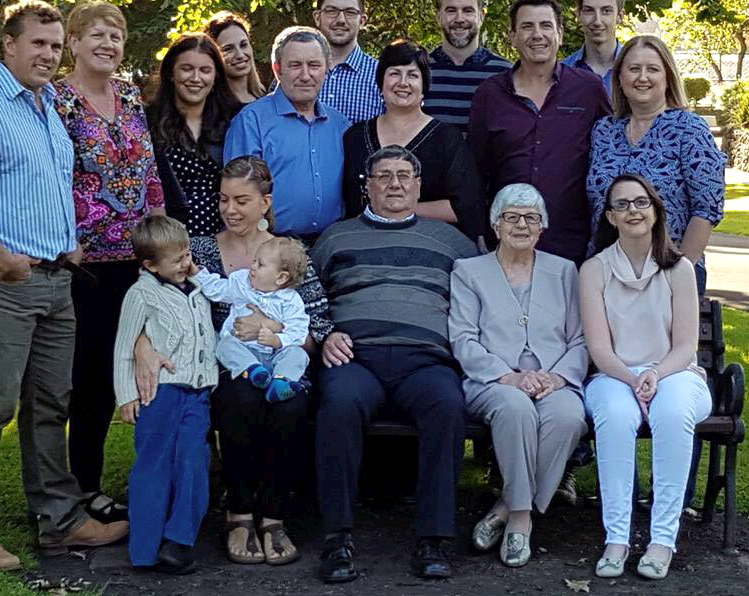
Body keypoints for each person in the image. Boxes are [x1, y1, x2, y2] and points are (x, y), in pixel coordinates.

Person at [0, 0, 127, 570]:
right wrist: (5, 260)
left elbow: (38, 188)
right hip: (2, 281)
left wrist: (63, 240)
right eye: (36, 43)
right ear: (9, 45)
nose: (47, 53)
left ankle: (62, 522)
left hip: (54, 280)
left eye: (52, 43)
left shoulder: (44, 106)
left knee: (49, 405)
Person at [135, 156, 333, 566]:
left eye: (241, 200)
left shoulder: (288, 253)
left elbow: (317, 322)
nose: (230, 209)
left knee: (289, 404)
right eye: (224, 199)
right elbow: (154, 296)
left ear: (265, 202)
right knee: (240, 398)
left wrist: (270, 328)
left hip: (281, 358)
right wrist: (140, 343)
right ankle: (240, 511)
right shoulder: (201, 249)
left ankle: (275, 515)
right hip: (220, 363)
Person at [311, 145, 479, 582]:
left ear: (419, 185)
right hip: (355, 358)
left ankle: (433, 539)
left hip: (425, 361)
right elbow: (305, 296)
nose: (395, 183)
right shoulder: (336, 237)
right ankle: (338, 539)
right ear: (366, 186)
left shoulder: (451, 241)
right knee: (339, 406)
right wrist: (327, 332)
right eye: (383, 176)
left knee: (446, 405)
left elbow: (484, 297)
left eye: (404, 175)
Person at [54, 0, 165, 523]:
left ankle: (155, 478)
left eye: (116, 36)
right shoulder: (57, 100)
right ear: (72, 42)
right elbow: (50, 177)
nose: (107, 44)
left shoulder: (127, 94)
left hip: (138, 258)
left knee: (146, 365)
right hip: (86, 263)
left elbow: (148, 170)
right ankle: (84, 486)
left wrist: (161, 234)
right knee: (92, 377)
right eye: (96, 35)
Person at [448, 183, 587, 568]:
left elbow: (580, 338)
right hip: (492, 381)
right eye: (511, 216)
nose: (521, 225)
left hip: (553, 378)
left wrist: (557, 378)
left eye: (531, 218)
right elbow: (463, 338)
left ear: (543, 227)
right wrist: (506, 376)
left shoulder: (564, 271)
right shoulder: (468, 271)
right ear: (496, 224)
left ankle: (506, 506)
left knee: (568, 416)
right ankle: (522, 521)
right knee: (515, 409)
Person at [580, 174, 712, 580]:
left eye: (641, 202)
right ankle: (617, 538)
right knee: (615, 417)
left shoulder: (680, 269)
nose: (633, 210)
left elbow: (686, 347)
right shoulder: (594, 270)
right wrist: (632, 379)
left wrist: (654, 375)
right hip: (614, 375)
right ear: (610, 217)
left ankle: (661, 541)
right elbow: (600, 349)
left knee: (673, 414)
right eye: (622, 204)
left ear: (655, 211)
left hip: (675, 373)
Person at [469, 0, 611, 264]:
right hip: (505, 242)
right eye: (527, 26)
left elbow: (610, 155)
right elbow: (476, 170)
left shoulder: (588, 89)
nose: (537, 35)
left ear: (559, 32)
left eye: (546, 26)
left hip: (572, 244)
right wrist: (477, 230)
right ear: (512, 36)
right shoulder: (490, 94)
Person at [113, 215, 217, 574]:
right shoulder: (141, 294)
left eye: (187, 254)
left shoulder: (200, 287)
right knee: (153, 466)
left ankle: (179, 542)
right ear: (149, 265)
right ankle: (143, 549)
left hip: (198, 393)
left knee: (193, 460)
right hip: (159, 394)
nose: (185, 263)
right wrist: (126, 394)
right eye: (176, 260)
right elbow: (124, 347)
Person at [586, 34, 725, 294]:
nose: (642, 77)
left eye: (652, 69)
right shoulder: (604, 131)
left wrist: (678, 275)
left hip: (669, 274)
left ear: (667, 77)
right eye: (634, 69)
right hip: (607, 273)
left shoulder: (690, 129)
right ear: (619, 77)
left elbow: (706, 210)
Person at [342, 39, 485, 243]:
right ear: (381, 82)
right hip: (362, 245)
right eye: (394, 73)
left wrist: (396, 208)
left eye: (413, 75)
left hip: (428, 246)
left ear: (424, 85)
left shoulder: (446, 138)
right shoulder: (354, 137)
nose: (403, 82)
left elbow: (464, 207)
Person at [223, 26, 351, 240]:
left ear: (326, 69)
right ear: (277, 69)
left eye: (314, 65)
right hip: (271, 246)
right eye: (295, 65)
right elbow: (238, 194)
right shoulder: (251, 122)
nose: (305, 75)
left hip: (332, 243)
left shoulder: (340, 125)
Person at [146, 33, 242, 237]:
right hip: (168, 244)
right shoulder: (148, 122)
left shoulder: (232, 123)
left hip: (222, 242)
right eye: (187, 68)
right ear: (171, 73)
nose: (196, 78)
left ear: (216, 76)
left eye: (205, 70)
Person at [195, 236, 310, 402]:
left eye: (260, 264)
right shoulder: (242, 284)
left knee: (298, 354)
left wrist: (277, 340)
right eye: (254, 260)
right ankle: (252, 371)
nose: (252, 266)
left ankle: (281, 383)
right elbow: (218, 289)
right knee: (224, 344)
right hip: (244, 350)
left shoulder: (291, 301)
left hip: (275, 355)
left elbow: (299, 332)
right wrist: (198, 274)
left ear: (281, 277)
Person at [422, 0, 512, 129]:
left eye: (468, 11)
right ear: (438, 17)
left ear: (481, 16)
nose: (459, 19)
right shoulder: (420, 70)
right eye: (451, 10)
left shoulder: (505, 74)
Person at [312, 0, 383, 123]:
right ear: (317, 17)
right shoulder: (295, 73)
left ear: (362, 20)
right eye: (332, 11)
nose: (341, 20)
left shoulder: (381, 76)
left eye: (350, 12)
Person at [562, 0, 624, 95]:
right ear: (578, 15)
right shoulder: (561, 74)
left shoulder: (638, 72)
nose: (597, 21)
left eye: (606, 11)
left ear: (620, 16)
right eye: (589, 11)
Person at [204, 11, 266, 104]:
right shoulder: (210, 105)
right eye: (228, 49)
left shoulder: (263, 97)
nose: (240, 55)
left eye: (243, 45)